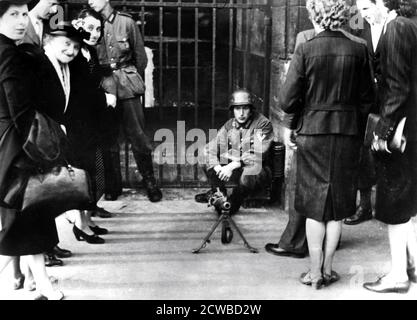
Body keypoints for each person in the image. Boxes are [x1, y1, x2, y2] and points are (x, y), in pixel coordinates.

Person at [278, 0, 374, 289]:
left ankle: (314, 272)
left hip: (312, 133)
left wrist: (297, 121)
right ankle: (329, 269)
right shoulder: (359, 48)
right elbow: (369, 99)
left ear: (315, 14)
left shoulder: (306, 48)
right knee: (338, 206)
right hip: (347, 135)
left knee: (313, 205)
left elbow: (287, 100)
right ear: (344, 14)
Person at [0, 0, 63, 299]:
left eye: (24, 13)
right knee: (31, 216)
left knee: (17, 216)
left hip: (6, 143)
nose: (21, 20)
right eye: (13, 14)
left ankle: (28, 280)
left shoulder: (9, 50)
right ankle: (43, 286)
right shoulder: (9, 54)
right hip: (17, 144)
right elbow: (20, 110)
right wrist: (44, 140)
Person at [361, 0, 417, 294]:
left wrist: (382, 132)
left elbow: (397, 87)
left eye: (367, 7)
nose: (362, 13)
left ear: (385, 2)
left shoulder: (394, 31)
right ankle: (414, 265)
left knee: (394, 202)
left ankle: (398, 276)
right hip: (412, 129)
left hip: (399, 132)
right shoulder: (410, 26)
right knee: (409, 201)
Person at [88, 0, 162, 203]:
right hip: (104, 84)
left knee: (137, 135)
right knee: (109, 136)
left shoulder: (126, 22)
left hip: (127, 83)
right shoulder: (90, 21)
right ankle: (113, 185)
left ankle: (150, 182)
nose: (89, 1)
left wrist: (131, 79)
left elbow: (140, 57)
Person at [20, 0, 72, 267]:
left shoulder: (43, 26)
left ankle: (49, 246)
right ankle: (24, 266)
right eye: (52, 2)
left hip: (47, 124)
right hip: (31, 127)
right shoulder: (21, 28)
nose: (55, 9)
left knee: (45, 192)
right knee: (31, 197)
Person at [195, 89, 274, 219]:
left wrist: (230, 167)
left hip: (257, 170)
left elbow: (257, 153)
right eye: (237, 109)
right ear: (233, 109)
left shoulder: (263, 124)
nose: (241, 113)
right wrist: (218, 168)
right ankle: (218, 194)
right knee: (204, 154)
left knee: (252, 170)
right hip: (233, 166)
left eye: (245, 108)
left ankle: (234, 201)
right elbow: (212, 148)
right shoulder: (230, 124)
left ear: (251, 109)